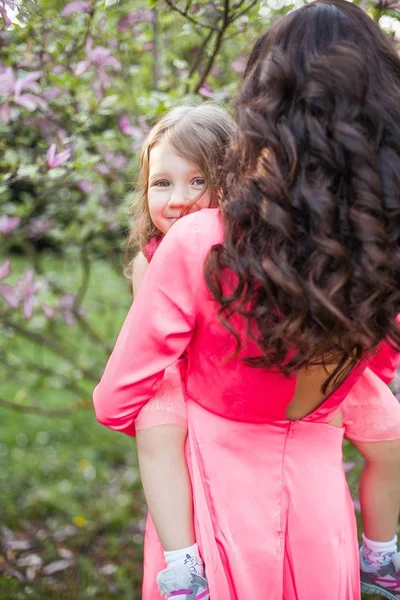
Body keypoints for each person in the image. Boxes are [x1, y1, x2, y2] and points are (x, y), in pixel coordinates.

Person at [93, 2, 400, 598]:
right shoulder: (382, 251)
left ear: (262, 111)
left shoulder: (201, 243)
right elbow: (382, 371)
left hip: (214, 513)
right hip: (320, 509)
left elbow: (114, 401)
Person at [126, 103, 235, 600]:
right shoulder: (149, 260)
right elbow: (147, 350)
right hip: (177, 380)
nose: (178, 199)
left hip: (235, 389)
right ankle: (184, 566)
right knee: (156, 424)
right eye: (161, 183)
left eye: (197, 181)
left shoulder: (246, 253)